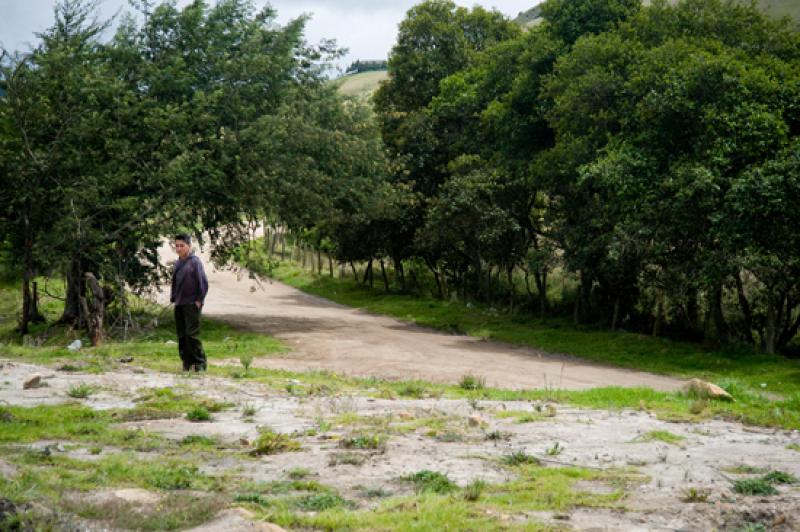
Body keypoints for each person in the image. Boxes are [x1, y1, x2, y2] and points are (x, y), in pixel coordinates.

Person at [170, 234, 209, 372]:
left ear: (189, 246)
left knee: (192, 335)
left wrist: (199, 300)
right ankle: (186, 363)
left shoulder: (195, 262)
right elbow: (175, 282)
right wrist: (174, 298)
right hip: (179, 304)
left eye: (182, 245)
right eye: (177, 246)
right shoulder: (178, 263)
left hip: (192, 304)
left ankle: (200, 363)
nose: (179, 248)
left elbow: (203, 283)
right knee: (182, 335)